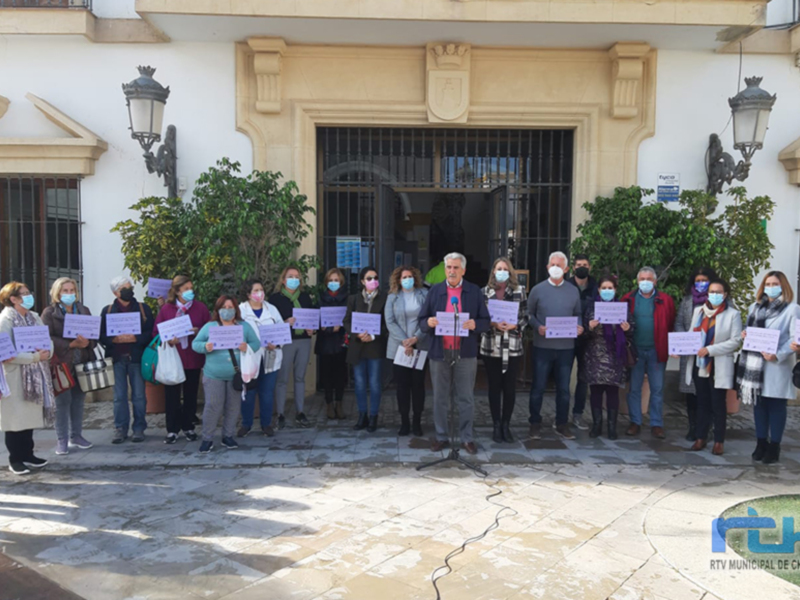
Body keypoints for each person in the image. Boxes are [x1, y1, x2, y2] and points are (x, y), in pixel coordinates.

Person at [418, 253, 491, 455]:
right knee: (440, 397)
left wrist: (476, 324)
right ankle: (441, 436)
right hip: (440, 352)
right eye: (448, 267)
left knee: (465, 397)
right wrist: (428, 323)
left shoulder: (473, 292)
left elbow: (485, 321)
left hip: (465, 352)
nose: (451, 271)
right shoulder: (435, 291)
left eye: (455, 268)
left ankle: (466, 437)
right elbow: (422, 320)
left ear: (463, 270)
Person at [738, 271, 798, 464]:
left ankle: (775, 446)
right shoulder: (754, 307)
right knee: (759, 406)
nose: (770, 287)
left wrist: (778, 354)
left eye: (775, 284)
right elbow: (751, 329)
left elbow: (794, 337)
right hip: (755, 366)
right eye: (768, 284)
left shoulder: (792, 309)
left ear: (783, 286)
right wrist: (746, 335)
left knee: (776, 406)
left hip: (776, 365)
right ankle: (761, 442)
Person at [678, 278, 741, 456]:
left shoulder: (732, 314)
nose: (714, 295)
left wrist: (710, 350)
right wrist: (679, 347)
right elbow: (691, 334)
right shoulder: (699, 311)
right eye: (711, 292)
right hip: (700, 365)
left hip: (718, 364)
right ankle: (701, 437)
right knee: (702, 402)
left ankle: (719, 441)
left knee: (718, 404)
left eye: (718, 292)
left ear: (725, 294)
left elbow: (735, 341)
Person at [527, 251, 584, 441]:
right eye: (552, 264)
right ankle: (535, 423)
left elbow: (578, 313)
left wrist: (580, 326)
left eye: (559, 265)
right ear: (547, 267)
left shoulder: (573, 290)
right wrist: (537, 326)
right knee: (538, 387)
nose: (555, 268)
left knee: (564, 389)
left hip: (566, 348)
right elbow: (529, 314)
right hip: (542, 346)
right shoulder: (537, 290)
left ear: (566, 269)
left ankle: (561, 424)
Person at [192, 296, 261, 453]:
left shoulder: (244, 326)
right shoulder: (210, 326)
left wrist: (246, 347)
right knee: (212, 406)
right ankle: (207, 438)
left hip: (235, 375)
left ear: (235, 309)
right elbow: (195, 344)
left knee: (233, 407)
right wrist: (206, 346)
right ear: (217, 310)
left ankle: (228, 436)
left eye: (231, 307)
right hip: (213, 375)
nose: (227, 310)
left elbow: (256, 343)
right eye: (224, 307)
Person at [0, 282, 53, 475]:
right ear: (13, 299)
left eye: (29, 292)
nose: (29, 296)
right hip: (14, 376)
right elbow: (5, 353)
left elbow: (46, 340)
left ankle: (28, 454)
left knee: (29, 417)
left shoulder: (34, 317)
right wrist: (34, 357)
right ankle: (15, 459)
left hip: (34, 375)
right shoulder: (5, 320)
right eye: (24, 293)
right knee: (15, 420)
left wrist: (47, 351)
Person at [42, 277, 96, 455]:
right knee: (63, 402)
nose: (69, 294)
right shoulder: (49, 313)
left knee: (79, 401)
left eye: (72, 290)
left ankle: (76, 436)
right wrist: (70, 345)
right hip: (61, 364)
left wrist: (87, 342)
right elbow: (46, 338)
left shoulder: (83, 310)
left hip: (82, 361)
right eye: (65, 291)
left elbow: (94, 335)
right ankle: (62, 439)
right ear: (57, 293)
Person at [154, 275, 210, 445]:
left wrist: (196, 331)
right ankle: (172, 430)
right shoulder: (167, 310)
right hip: (173, 357)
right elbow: (156, 332)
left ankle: (188, 426)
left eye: (191, 288)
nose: (189, 292)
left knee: (191, 393)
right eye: (186, 289)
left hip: (192, 357)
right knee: (171, 395)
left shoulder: (200, 308)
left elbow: (209, 329)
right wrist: (168, 339)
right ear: (177, 291)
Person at [622, 267, 676, 439]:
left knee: (657, 388)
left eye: (649, 279)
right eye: (642, 279)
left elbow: (672, 323)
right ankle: (635, 421)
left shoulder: (665, 300)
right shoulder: (628, 299)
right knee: (635, 388)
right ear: (637, 281)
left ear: (655, 281)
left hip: (656, 350)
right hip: (635, 350)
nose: (645, 282)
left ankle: (656, 424)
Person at [100, 276, 155, 445]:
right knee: (119, 397)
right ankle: (120, 428)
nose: (129, 290)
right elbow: (101, 334)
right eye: (125, 287)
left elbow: (151, 332)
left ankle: (139, 428)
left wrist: (136, 338)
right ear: (116, 292)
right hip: (116, 359)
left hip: (136, 358)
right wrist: (113, 340)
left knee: (139, 396)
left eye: (130, 287)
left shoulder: (142, 308)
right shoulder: (107, 311)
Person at [480, 257, 528, 443]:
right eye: (498, 268)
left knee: (509, 388)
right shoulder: (484, 292)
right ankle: (496, 424)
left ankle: (506, 424)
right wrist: (493, 324)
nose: (501, 271)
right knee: (494, 387)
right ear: (493, 271)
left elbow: (525, 317)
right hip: (491, 345)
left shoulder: (519, 291)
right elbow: (480, 318)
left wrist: (516, 326)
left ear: (510, 272)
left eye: (505, 269)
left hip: (512, 345)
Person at [583, 276, 634, 439]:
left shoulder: (622, 308)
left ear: (615, 290)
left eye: (610, 288)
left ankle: (612, 426)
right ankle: (597, 425)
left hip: (615, 356)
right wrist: (589, 327)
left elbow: (632, 330)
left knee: (613, 392)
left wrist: (627, 328)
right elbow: (583, 332)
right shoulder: (591, 308)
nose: (607, 291)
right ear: (598, 290)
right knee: (596, 391)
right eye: (603, 288)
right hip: (595, 356)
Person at [675, 267, 719, 442]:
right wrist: (684, 339)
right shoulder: (687, 301)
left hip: (710, 354)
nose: (701, 284)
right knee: (690, 393)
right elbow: (679, 322)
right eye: (698, 280)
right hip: (690, 354)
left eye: (704, 280)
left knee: (708, 393)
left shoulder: (719, 301)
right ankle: (693, 427)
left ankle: (707, 426)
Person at [269, 266, 315, 429]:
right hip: (285, 342)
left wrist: (312, 328)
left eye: (297, 276)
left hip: (303, 341)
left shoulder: (304, 297)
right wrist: (285, 323)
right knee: (282, 379)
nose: (294, 279)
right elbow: (270, 323)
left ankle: (300, 412)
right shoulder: (275, 299)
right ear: (283, 280)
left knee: (300, 377)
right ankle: (280, 413)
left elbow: (311, 318)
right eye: (290, 276)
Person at [385, 265, 429, 437]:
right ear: (398, 279)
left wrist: (415, 338)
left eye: (410, 276)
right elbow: (389, 322)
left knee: (418, 386)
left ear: (415, 278)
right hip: (399, 347)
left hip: (420, 345)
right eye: (404, 277)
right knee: (402, 387)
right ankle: (404, 422)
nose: (407, 279)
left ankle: (417, 421)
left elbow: (426, 319)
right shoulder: (392, 297)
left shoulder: (424, 294)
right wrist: (405, 341)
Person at [344, 266, 388, 433]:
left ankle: (374, 416)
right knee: (360, 384)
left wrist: (374, 336)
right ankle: (362, 415)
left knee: (375, 384)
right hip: (358, 346)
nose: (372, 281)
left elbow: (387, 324)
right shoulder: (353, 299)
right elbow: (346, 321)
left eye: (375, 278)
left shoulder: (385, 298)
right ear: (362, 281)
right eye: (369, 278)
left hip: (375, 347)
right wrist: (356, 333)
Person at [238, 279, 283, 438]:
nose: (260, 293)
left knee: (267, 393)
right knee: (248, 393)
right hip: (250, 357)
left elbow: (281, 331)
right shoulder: (241, 311)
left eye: (261, 290)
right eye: (256, 291)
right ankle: (246, 424)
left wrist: (276, 344)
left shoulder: (272, 310)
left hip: (270, 356)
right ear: (248, 294)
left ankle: (266, 424)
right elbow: (235, 331)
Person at [566, 254, 597, 431]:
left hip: (588, 339)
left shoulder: (596, 287)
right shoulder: (567, 285)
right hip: (568, 337)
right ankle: (561, 416)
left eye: (585, 264)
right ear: (573, 267)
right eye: (578, 264)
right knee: (564, 377)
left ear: (590, 267)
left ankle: (578, 414)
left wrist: (587, 327)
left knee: (583, 379)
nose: (582, 267)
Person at [316, 268, 348, 421]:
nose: (333, 283)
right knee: (326, 374)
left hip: (341, 341)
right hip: (325, 341)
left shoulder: (347, 298)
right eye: (330, 280)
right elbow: (316, 319)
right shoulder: (320, 298)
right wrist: (325, 327)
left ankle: (339, 403)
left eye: (336, 280)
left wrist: (340, 326)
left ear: (341, 282)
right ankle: (329, 403)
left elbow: (349, 319)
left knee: (340, 374)